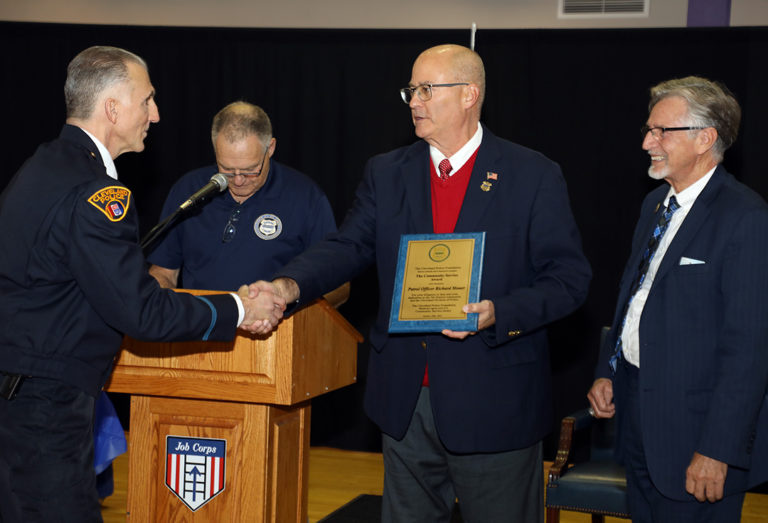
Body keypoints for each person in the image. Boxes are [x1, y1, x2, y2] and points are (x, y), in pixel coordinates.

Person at [264, 44, 591, 522]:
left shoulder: (532, 174)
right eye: (410, 90)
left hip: (493, 400)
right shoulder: (386, 171)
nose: (413, 101)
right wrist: (289, 286)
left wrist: (499, 312)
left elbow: (569, 279)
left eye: (425, 90)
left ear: (468, 95)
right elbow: (349, 245)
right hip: (404, 400)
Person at [0, 46, 284, 523]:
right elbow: (141, 310)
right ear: (113, 108)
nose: (156, 113)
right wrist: (237, 308)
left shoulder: (40, 167)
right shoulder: (98, 193)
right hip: (45, 408)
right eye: (147, 100)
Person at [587, 76, 768, 522]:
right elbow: (632, 297)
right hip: (638, 423)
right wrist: (607, 370)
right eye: (650, 130)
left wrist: (717, 449)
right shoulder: (654, 204)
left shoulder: (745, 217)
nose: (648, 141)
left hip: (698, 441)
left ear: (706, 138)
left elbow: (748, 350)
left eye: (661, 131)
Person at [148, 101, 348, 306]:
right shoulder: (189, 190)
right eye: (226, 169)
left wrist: (289, 297)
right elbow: (163, 273)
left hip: (278, 333)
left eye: (250, 170)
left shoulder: (306, 198)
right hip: (199, 330)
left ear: (270, 148)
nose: (238, 180)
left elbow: (339, 286)